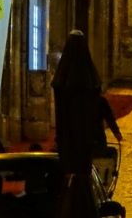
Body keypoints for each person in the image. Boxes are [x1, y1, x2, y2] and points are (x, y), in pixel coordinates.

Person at [52, 31, 121, 176]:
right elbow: (102, 108)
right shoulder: (89, 78)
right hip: (90, 141)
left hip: (67, 142)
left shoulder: (62, 78)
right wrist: (116, 132)